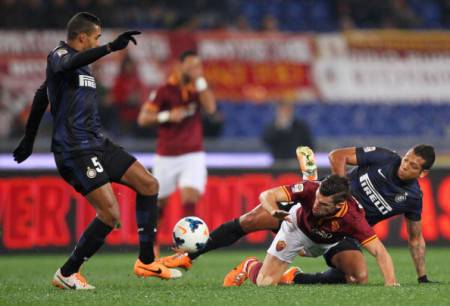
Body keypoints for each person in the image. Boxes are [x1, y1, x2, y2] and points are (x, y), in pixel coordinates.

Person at [12, 12, 181, 290]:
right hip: (74, 148)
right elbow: (63, 71)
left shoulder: (79, 68)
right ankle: (67, 273)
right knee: (110, 214)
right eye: (96, 38)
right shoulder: (59, 55)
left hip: (98, 143)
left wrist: (28, 140)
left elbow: (42, 95)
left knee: (149, 184)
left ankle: (147, 261)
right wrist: (111, 47)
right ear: (82, 37)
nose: (98, 42)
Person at [159, 144, 436, 285]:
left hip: (344, 230)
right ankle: (188, 256)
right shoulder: (385, 157)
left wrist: (422, 278)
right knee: (251, 220)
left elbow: (415, 239)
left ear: (423, 174)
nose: (405, 165)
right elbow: (338, 155)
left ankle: (292, 276)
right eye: (407, 158)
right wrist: (341, 192)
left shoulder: (412, 199)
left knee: (357, 277)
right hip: (319, 205)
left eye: (413, 166)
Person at [222, 175, 399, 287]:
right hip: (296, 229)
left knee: (358, 277)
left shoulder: (354, 218)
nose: (315, 205)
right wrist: (272, 210)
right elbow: (267, 195)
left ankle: (290, 275)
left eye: (323, 204)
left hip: (326, 243)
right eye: (317, 199)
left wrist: (391, 282)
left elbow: (379, 251)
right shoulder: (311, 188)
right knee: (265, 284)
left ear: (338, 205)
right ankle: (250, 265)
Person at [137, 50, 216, 220]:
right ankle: (153, 245)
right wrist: (166, 116)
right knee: (158, 205)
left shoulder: (198, 90)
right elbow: (143, 119)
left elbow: (210, 108)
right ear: (180, 66)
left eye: (198, 66)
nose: (195, 70)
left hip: (192, 154)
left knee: (190, 199)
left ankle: (186, 245)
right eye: (191, 66)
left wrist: (200, 80)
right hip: (166, 155)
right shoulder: (164, 91)